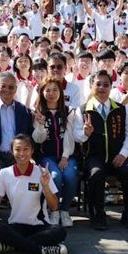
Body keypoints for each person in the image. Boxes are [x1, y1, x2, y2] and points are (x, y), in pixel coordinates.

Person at [74, 70, 128, 230]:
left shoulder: (121, 108)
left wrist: (123, 154)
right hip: (94, 157)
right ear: (91, 86)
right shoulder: (82, 110)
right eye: (98, 84)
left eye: (106, 84)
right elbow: (76, 136)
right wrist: (85, 133)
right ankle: (98, 214)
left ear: (112, 87)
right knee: (96, 174)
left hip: (118, 156)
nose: (102, 87)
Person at [0, 134, 68, 254]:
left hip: (39, 226)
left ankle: (12, 245)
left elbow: (54, 207)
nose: (22, 153)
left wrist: (45, 186)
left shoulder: (41, 172)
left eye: (26, 149)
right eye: (18, 149)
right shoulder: (4, 173)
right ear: (12, 151)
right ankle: (43, 249)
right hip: (15, 225)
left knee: (60, 231)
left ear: (32, 151)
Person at [32, 77, 80, 228]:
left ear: (61, 92)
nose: (51, 93)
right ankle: (54, 210)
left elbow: (70, 136)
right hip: (46, 156)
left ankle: (65, 210)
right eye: (47, 90)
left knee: (71, 176)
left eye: (55, 90)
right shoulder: (38, 113)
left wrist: (65, 157)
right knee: (55, 177)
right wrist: (40, 125)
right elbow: (38, 140)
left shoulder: (69, 111)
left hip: (67, 155)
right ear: (42, 93)